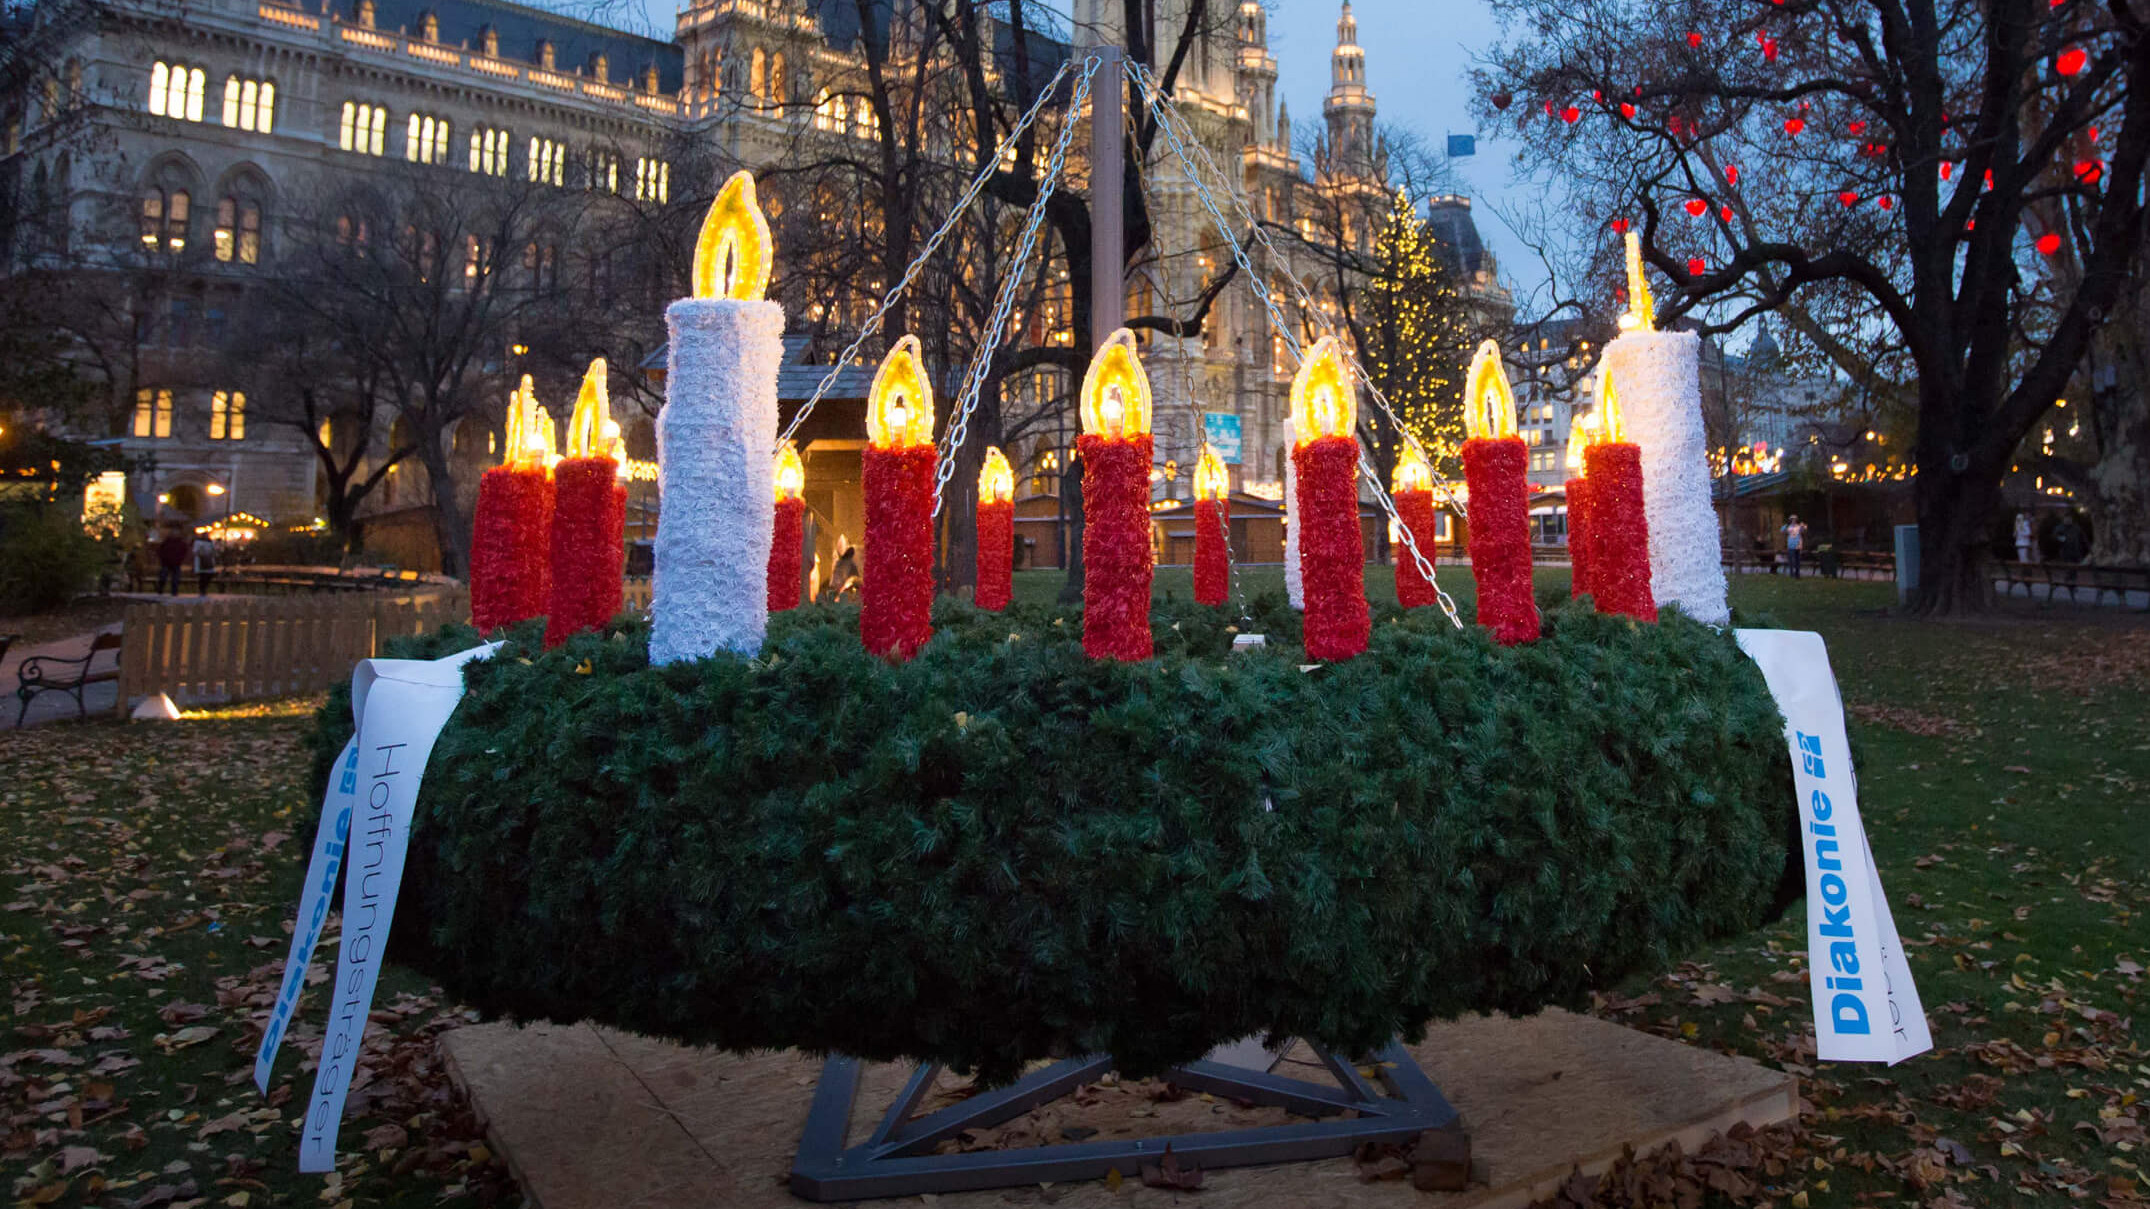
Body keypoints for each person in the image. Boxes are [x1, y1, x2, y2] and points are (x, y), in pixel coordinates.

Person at [155, 526, 190, 595]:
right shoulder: (166, 542)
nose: (174, 535)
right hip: (166, 563)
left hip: (176, 563)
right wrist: (163, 558)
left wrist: (180, 559)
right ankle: (160, 589)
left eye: (176, 533)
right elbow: (160, 550)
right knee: (163, 577)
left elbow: (184, 552)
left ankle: (174, 591)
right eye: (173, 533)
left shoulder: (181, 543)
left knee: (175, 579)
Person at [191, 531, 220, 596]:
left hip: (209, 561)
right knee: (202, 576)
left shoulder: (211, 542)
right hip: (201, 561)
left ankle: (204, 588)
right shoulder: (198, 542)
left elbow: (214, 550)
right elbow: (195, 551)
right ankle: (202, 589)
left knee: (209, 575)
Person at [1782, 514, 1809, 579]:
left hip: (1798, 546)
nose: (1793, 520)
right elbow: (1782, 531)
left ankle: (1797, 574)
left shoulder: (1799, 526)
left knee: (1797, 561)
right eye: (1792, 519)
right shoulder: (1788, 527)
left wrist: (1803, 526)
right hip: (1791, 546)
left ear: (1796, 520)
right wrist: (1785, 526)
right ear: (1790, 520)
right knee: (1791, 561)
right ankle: (1792, 574)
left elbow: (1804, 531)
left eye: (1795, 519)